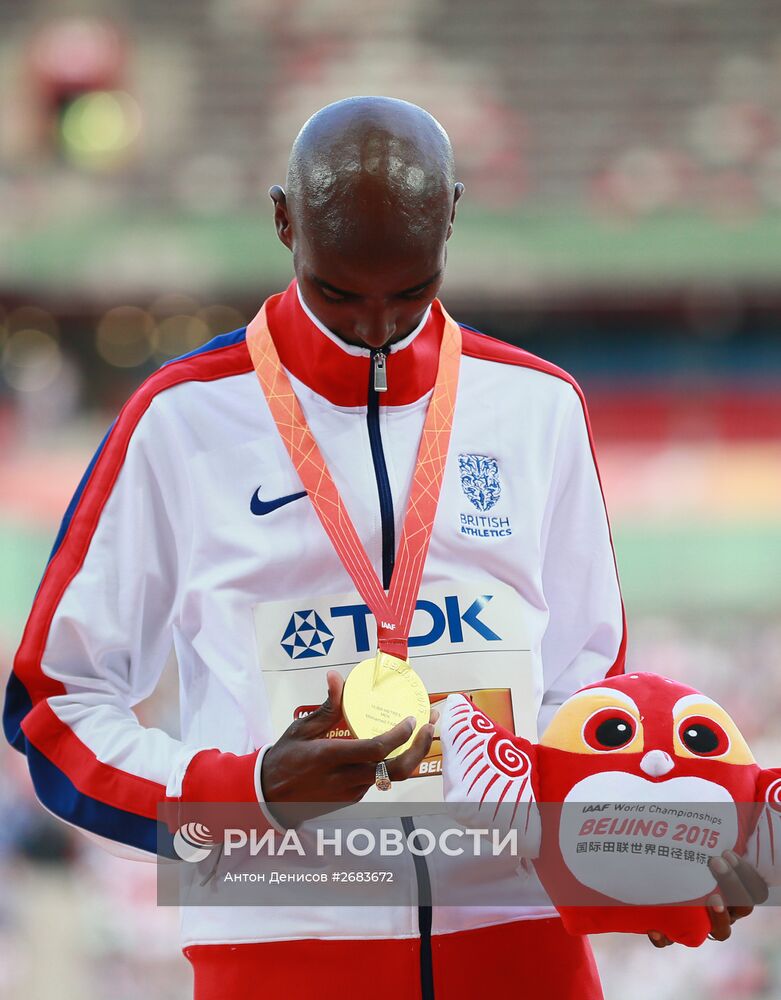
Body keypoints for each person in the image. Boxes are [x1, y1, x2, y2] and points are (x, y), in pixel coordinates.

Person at [3, 96, 764, 1000]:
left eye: (410, 290)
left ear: (452, 213)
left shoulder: (537, 406)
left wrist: (646, 851)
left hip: (519, 938)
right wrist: (243, 794)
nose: (373, 323)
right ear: (282, 217)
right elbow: (54, 706)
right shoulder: (178, 420)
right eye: (336, 292)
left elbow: (584, 693)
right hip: (280, 941)